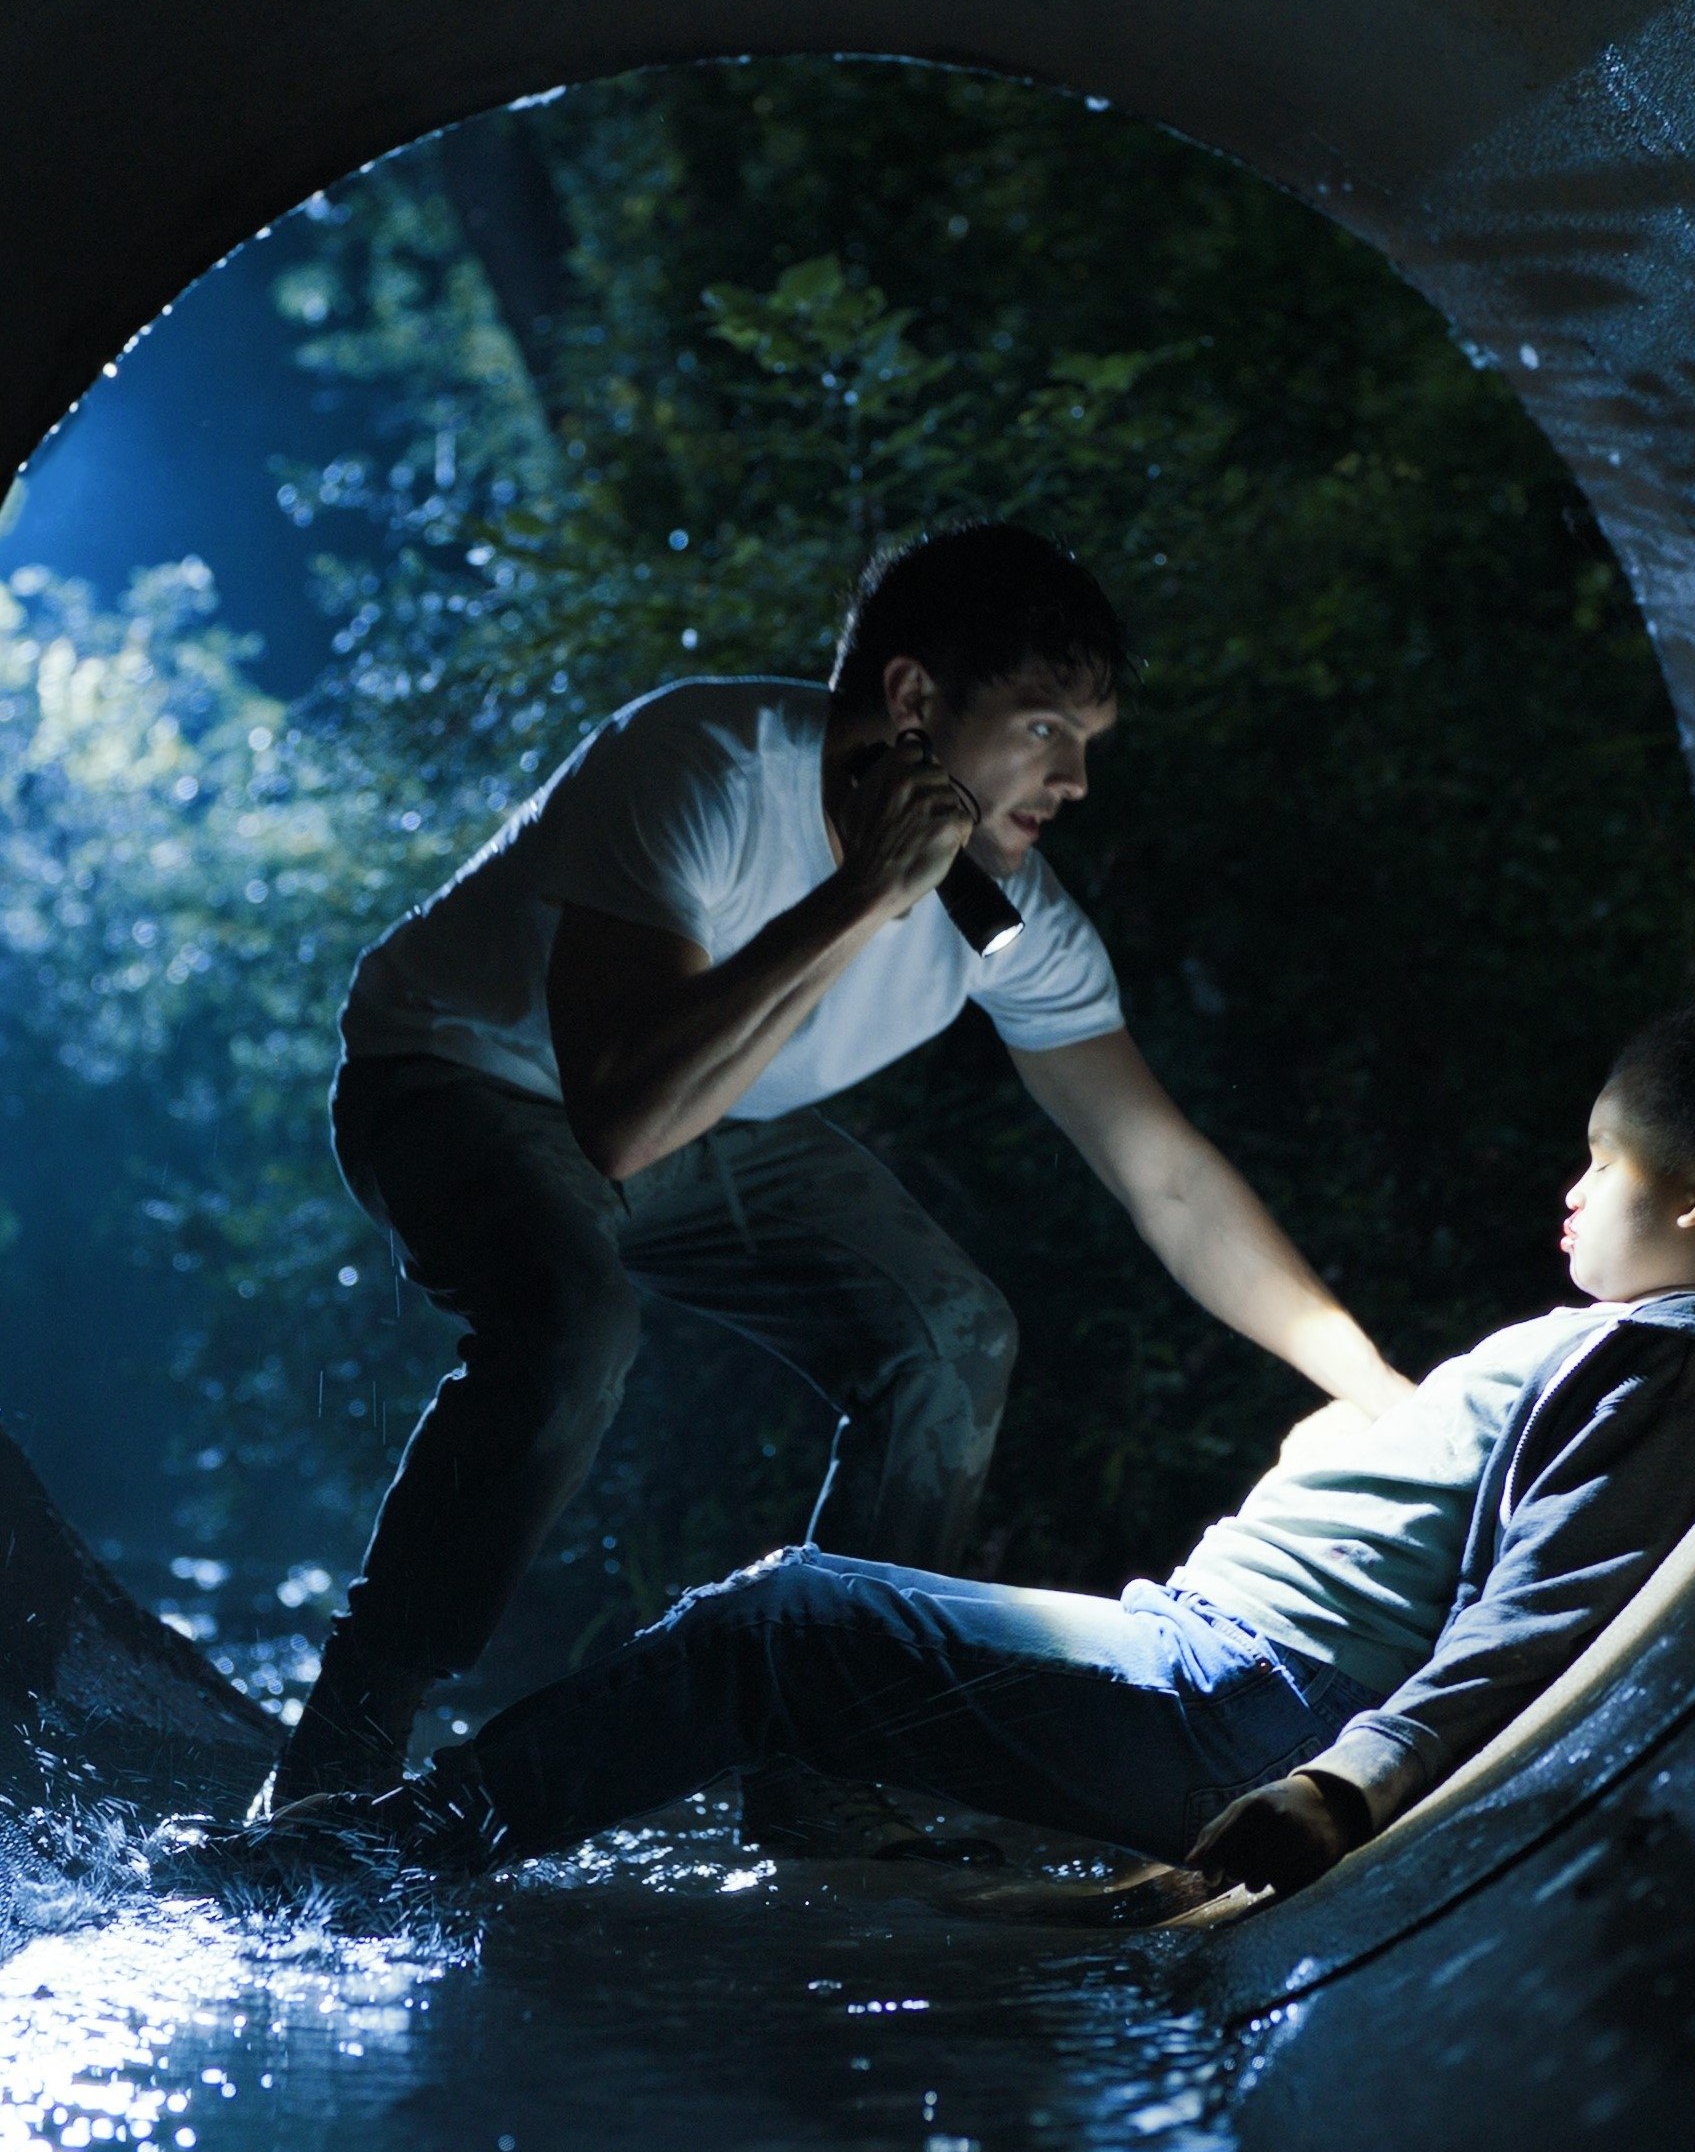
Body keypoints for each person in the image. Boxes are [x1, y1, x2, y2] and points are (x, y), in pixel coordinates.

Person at [221, 916, 1695, 1897]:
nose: (1571, 1191)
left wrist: (1346, 1787)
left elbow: (1551, 1603)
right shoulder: (1633, 1336)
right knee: (791, 1634)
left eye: (1603, 1163)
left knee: (783, 1623)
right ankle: (417, 1835)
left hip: (1240, 1699)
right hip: (1206, 1662)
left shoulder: (1674, 1353)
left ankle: (386, 1854)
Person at [278, 521, 1409, 1842]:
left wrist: (1375, 1389)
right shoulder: (702, 764)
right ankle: (346, 1739)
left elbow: (1166, 1178)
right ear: (914, 699)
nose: (1075, 779)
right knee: (573, 1323)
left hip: (703, 1119)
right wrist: (866, 893)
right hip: (453, 1077)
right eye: (1045, 729)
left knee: (951, 1333)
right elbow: (624, 1116)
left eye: (1090, 740)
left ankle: (825, 1751)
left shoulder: (1016, 922)